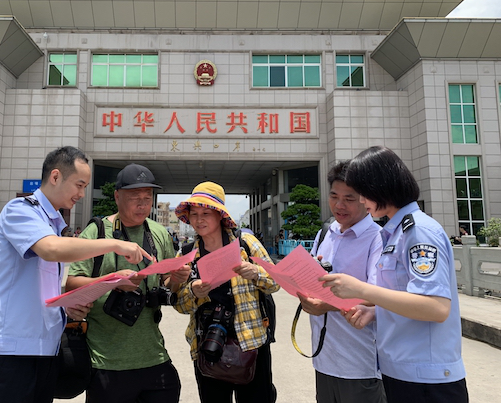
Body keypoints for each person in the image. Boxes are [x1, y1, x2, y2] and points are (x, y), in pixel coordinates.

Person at [0, 147, 149, 403]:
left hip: (44, 351)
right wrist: (114, 243)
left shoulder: (51, 223)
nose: (81, 194)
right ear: (55, 177)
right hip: (9, 353)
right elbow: (51, 250)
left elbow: (40, 287)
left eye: (85, 186)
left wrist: (66, 309)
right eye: (79, 185)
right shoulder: (20, 211)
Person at [320, 146, 468, 403]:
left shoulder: (418, 231)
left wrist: (361, 290)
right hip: (402, 371)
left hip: (426, 379)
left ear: (380, 187)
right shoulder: (395, 232)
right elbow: (406, 297)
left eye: (363, 193)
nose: (363, 201)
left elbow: (436, 307)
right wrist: (376, 312)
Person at [66, 163, 188, 403]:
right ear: (117, 196)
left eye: (148, 197)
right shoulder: (97, 232)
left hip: (154, 356)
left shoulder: (158, 233)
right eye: (135, 197)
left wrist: (175, 279)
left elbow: (166, 284)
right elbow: (71, 284)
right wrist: (113, 282)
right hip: (106, 362)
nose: (143, 204)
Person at [173, 181, 280, 403]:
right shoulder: (187, 255)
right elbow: (179, 304)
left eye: (206, 213)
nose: (199, 219)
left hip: (251, 342)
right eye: (194, 214)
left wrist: (255, 272)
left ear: (220, 215)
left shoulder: (245, 243)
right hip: (209, 344)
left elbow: (275, 282)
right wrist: (193, 291)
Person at [299, 161, 386, 403]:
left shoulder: (377, 239)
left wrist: (326, 304)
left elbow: (379, 293)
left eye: (349, 198)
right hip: (324, 358)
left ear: (366, 200)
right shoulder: (325, 233)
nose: (339, 205)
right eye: (334, 196)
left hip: (360, 362)